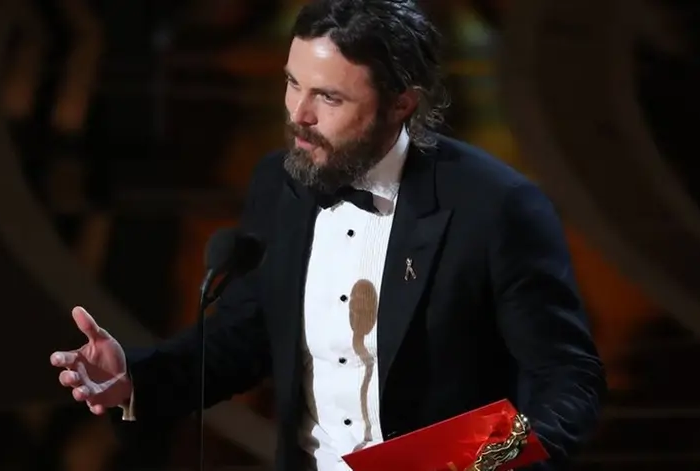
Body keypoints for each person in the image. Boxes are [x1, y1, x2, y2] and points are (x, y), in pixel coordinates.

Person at [50, 0, 606, 470]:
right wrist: (133, 378)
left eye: (330, 98)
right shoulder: (280, 182)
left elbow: (567, 382)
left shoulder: (496, 207)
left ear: (401, 104)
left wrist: (465, 464)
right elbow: (246, 336)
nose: (299, 114)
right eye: (293, 84)